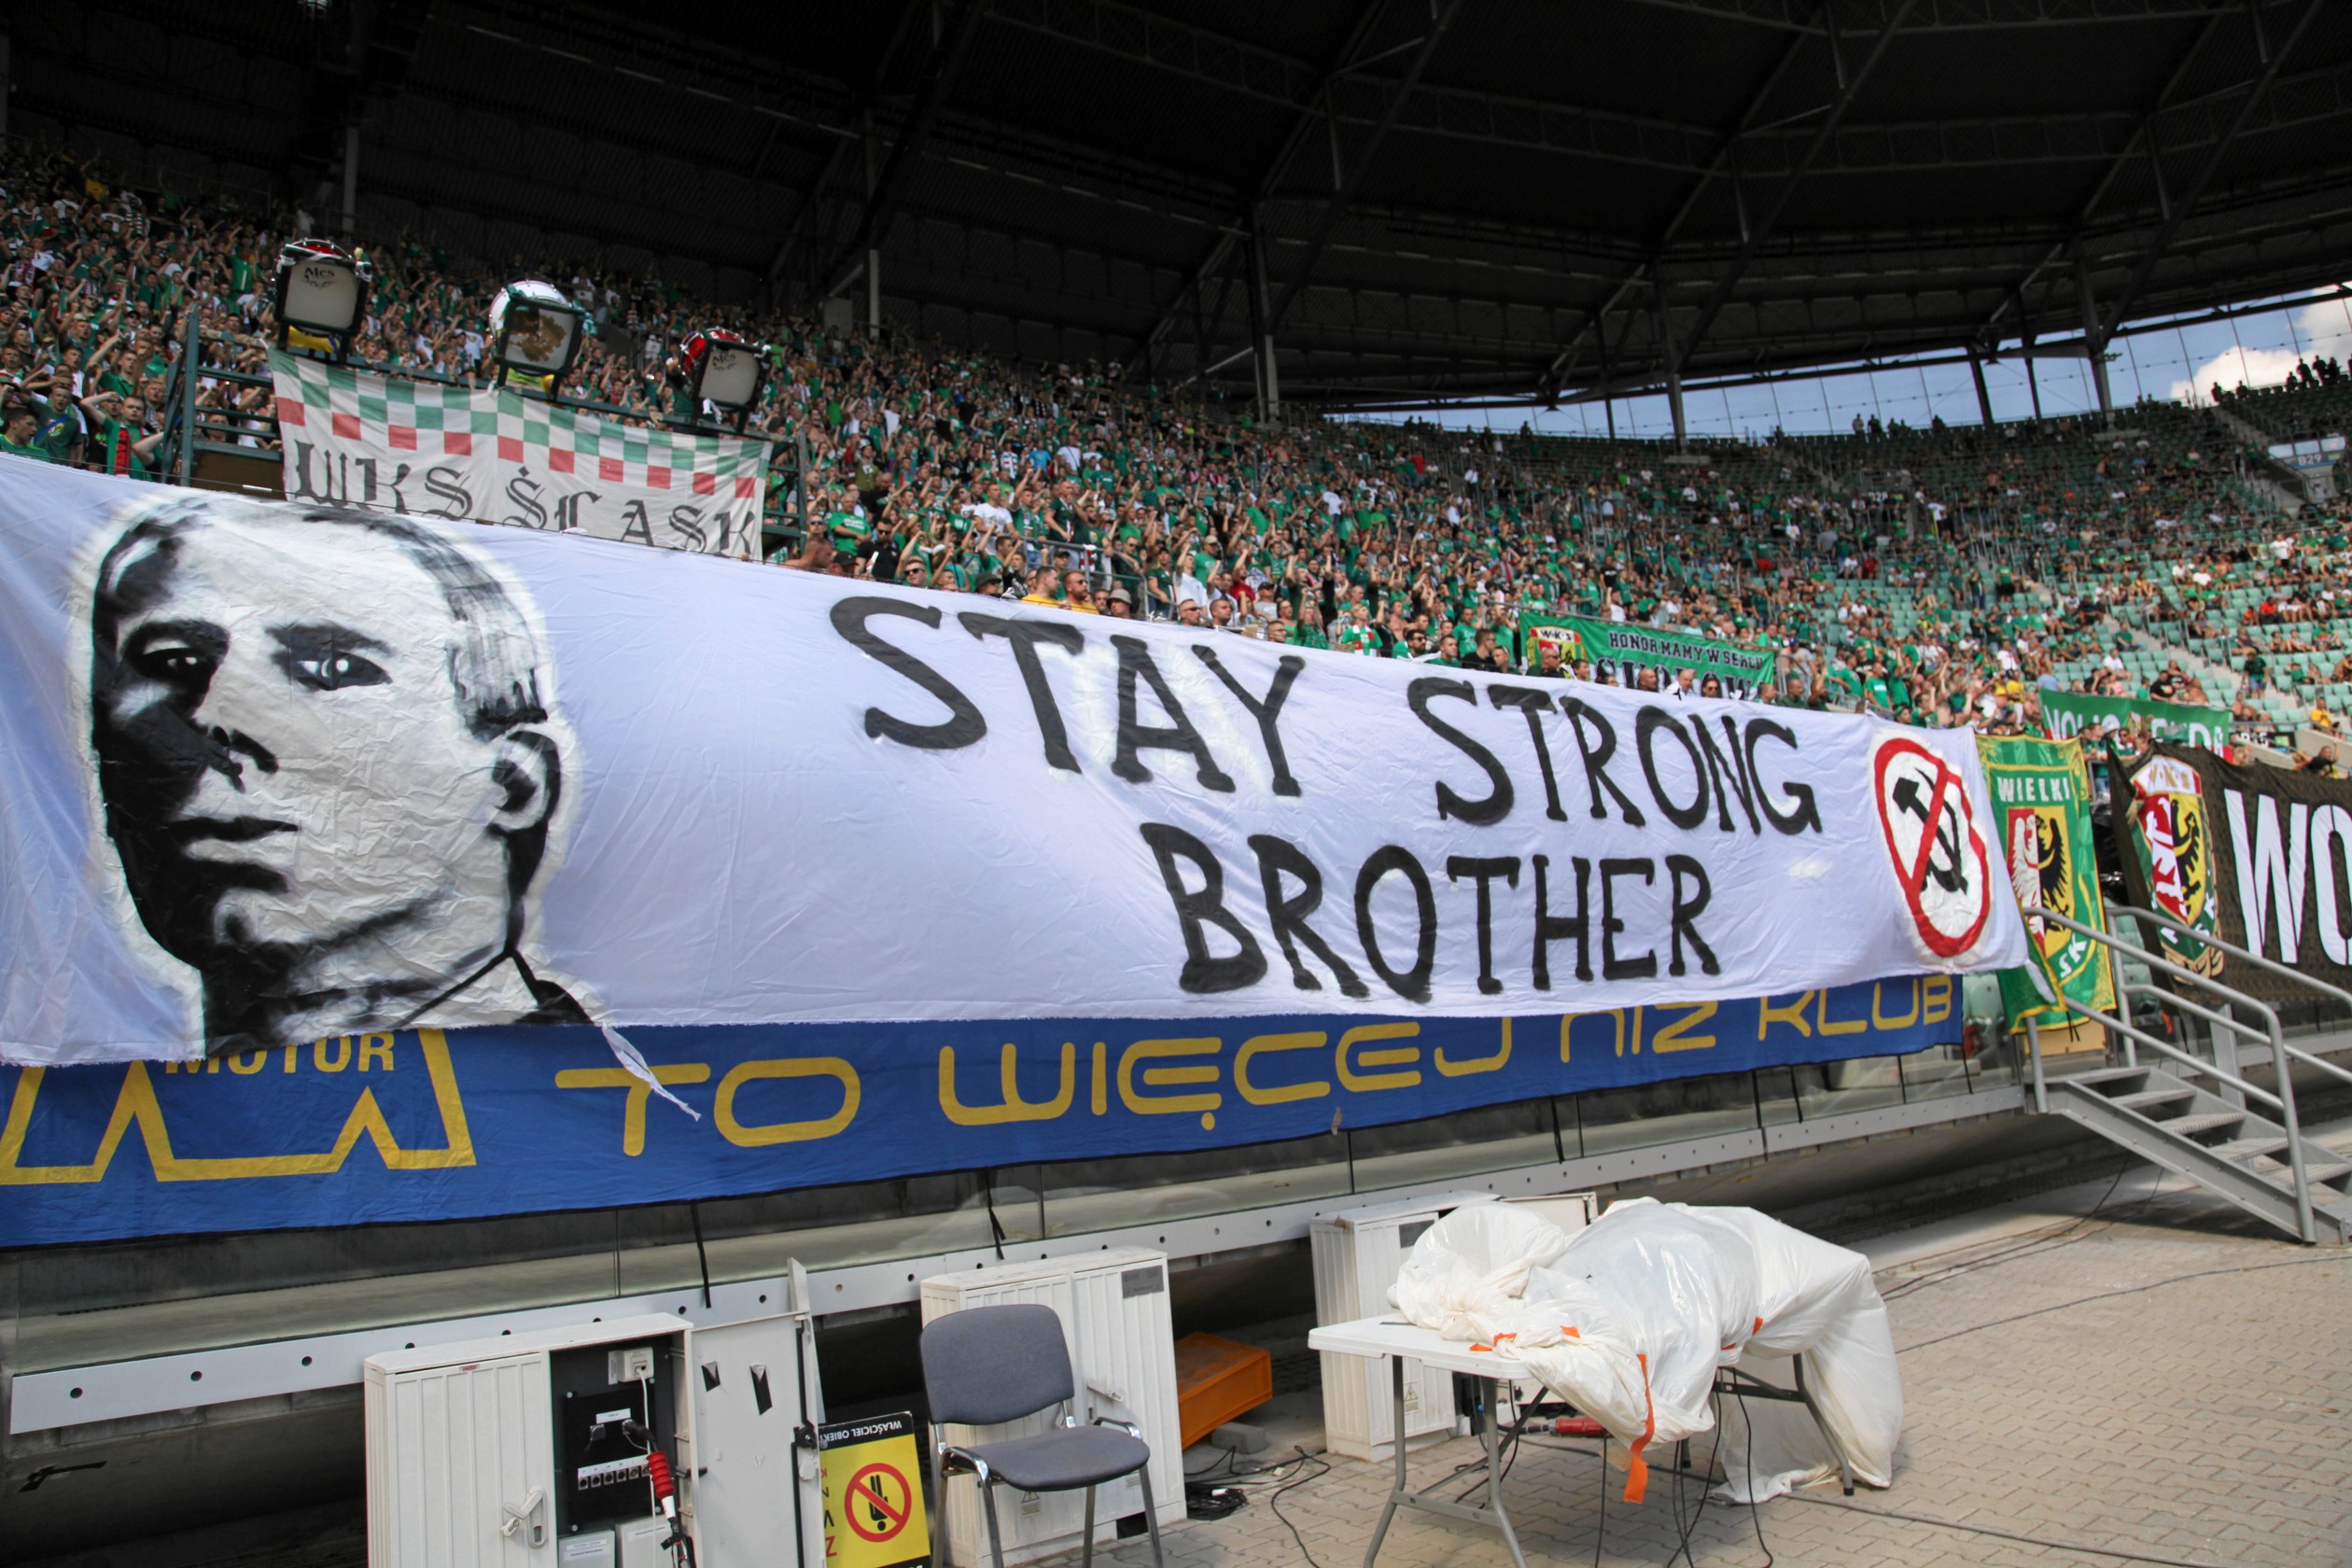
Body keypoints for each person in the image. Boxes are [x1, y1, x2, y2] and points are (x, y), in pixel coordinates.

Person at [86, 495, 585, 1055]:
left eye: (332, 667)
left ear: (514, 784)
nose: (215, 718)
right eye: (174, 663)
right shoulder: (88, 1092)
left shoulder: (599, 1098)